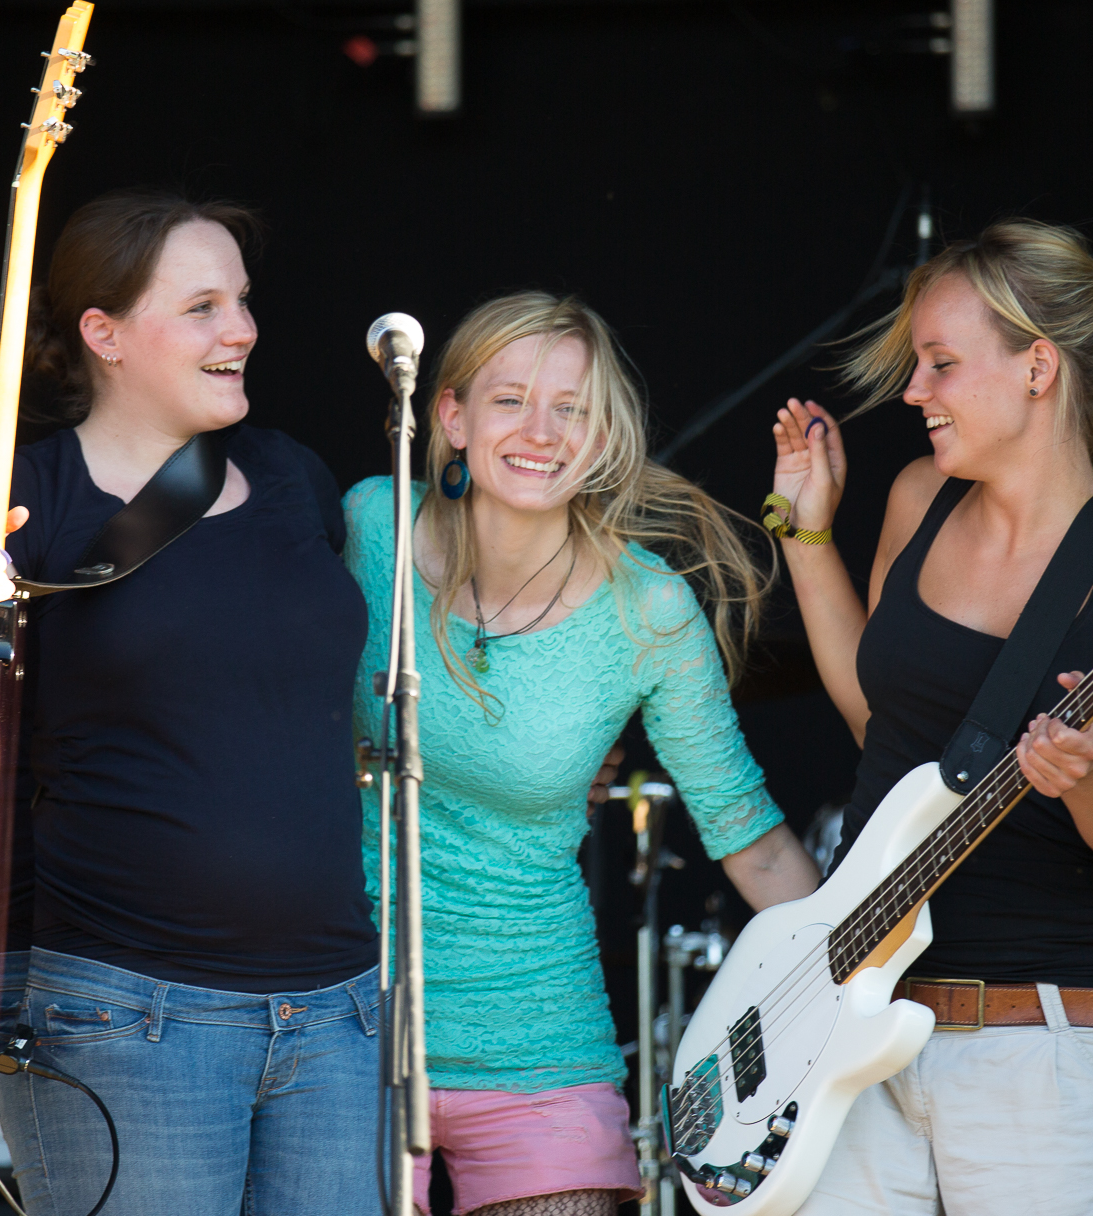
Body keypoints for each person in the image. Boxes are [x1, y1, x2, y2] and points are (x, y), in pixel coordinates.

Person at [0, 188, 385, 1215]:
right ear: (102, 334)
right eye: (201, 307)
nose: (242, 329)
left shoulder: (292, 477)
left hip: (338, 1012)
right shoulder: (11, 505)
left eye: (241, 300)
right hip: (123, 1015)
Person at [767, 220, 1093, 1215]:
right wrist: (806, 537)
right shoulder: (917, 498)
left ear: (1036, 368)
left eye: (940, 364)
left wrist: (1088, 781)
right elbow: (878, 726)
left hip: (1040, 1062)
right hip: (857, 1038)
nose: (913, 392)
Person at [342, 292, 824, 1216]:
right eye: (511, 400)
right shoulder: (371, 530)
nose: (542, 431)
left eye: (573, 408)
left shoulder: (648, 611)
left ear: (604, 436)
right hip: (343, 1035)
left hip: (539, 1050)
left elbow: (752, 840)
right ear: (451, 417)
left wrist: (861, 980)